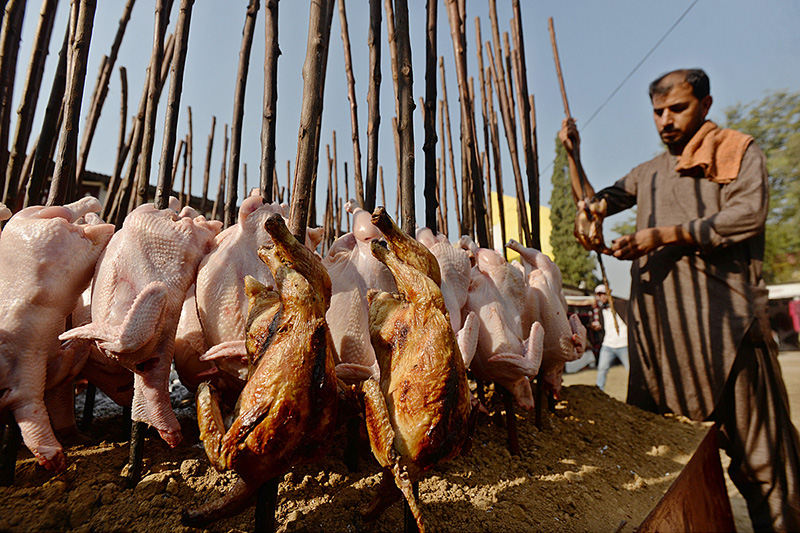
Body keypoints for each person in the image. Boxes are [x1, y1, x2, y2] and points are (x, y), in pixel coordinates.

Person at [559, 68, 800, 531]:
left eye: (677, 108)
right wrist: (574, 158)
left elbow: (747, 216)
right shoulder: (647, 174)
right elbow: (594, 205)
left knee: (766, 467)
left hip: (731, 337)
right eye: (657, 112)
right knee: (662, 463)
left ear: (705, 105)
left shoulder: (738, 150)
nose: (665, 120)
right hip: (664, 349)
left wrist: (664, 236)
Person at [591, 284, 629, 391]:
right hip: (608, 344)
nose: (602, 297)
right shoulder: (600, 311)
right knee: (602, 369)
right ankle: (599, 391)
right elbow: (604, 326)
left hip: (624, 343)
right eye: (599, 294)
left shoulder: (621, 304)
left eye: (604, 293)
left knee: (631, 369)